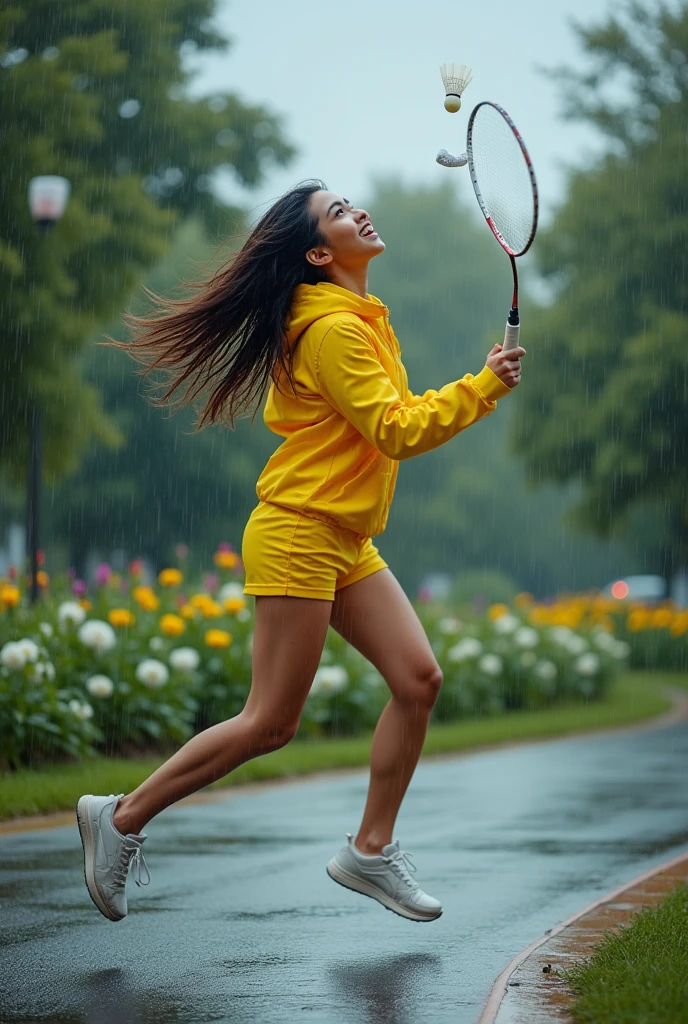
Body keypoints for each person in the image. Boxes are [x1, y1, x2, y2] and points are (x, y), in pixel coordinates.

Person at [76, 179, 525, 925]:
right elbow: (396, 430)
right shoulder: (333, 330)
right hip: (299, 533)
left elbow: (388, 421)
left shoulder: (354, 317)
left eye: (351, 202)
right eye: (340, 213)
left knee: (418, 681)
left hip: (342, 536)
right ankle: (119, 819)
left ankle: (369, 850)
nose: (359, 212)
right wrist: (480, 388)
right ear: (319, 252)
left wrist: (480, 385)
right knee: (270, 723)